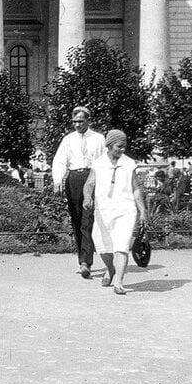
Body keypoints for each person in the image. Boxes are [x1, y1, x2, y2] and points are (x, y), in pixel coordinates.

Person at [82, 129, 149, 295]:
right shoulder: (98, 163)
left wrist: (142, 211)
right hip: (103, 211)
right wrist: (87, 198)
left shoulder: (129, 163)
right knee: (103, 248)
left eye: (124, 146)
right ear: (109, 146)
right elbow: (89, 184)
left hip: (125, 211)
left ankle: (118, 282)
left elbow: (136, 188)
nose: (122, 150)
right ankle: (110, 269)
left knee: (122, 246)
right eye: (119, 146)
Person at [51, 106, 106, 279]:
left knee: (87, 219)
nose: (77, 125)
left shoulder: (98, 139)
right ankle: (81, 259)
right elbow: (59, 161)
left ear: (88, 121)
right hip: (73, 179)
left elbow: (104, 161)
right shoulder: (68, 140)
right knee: (76, 219)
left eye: (81, 121)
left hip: (91, 178)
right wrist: (58, 180)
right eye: (74, 121)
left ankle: (85, 262)